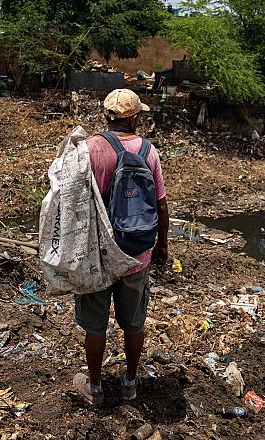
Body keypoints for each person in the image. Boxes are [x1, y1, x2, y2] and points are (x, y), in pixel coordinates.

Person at [73, 88, 170, 404]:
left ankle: (97, 388)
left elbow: (72, 205)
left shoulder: (89, 149)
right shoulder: (149, 152)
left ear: (106, 116)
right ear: (136, 118)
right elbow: (161, 205)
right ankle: (129, 382)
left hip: (98, 256)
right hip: (136, 255)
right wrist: (161, 248)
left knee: (95, 327)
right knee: (133, 324)